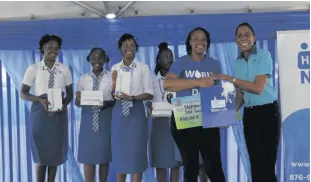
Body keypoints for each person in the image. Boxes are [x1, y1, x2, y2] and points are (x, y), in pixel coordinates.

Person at [213, 22, 280, 182]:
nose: (243, 38)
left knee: (267, 164)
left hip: (268, 112)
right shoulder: (237, 63)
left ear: (254, 38)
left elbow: (258, 88)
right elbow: (240, 96)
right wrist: (225, 115)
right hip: (250, 114)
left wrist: (230, 78)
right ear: (235, 40)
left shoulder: (264, 55)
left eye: (247, 34)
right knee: (255, 163)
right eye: (239, 35)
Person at [163, 27, 226, 182]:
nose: (200, 42)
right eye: (196, 38)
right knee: (191, 168)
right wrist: (199, 82)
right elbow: (168, 84)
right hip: (186, 118)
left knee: (214, 168)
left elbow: (218, 93)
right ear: (190, 42)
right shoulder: (181, 62)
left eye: (204, 39)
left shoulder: (214, 64)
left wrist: (223, 116)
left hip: (208, 120)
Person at [20, 34, 73, 182]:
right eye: (50, 47)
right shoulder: (33, 69)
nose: (53, 51)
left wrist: (63, 105)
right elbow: (23, 93)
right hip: (40, 112)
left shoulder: (64, 69)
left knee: (54, 154)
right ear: (43, 48)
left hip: (58, 114)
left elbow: (69, 95)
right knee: (41, 153)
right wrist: (39, 100)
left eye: (56, 48)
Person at [111, 33, 154, 182]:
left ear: (136, 49)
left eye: (132, 45)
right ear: (120, 49)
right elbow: (113, 93)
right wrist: (113, 90)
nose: (129, 48)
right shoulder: (115, 68)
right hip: (119, 112)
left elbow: (149, 93)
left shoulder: (143, 68)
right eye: (125, 45)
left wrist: (133, 98)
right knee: (120, 152)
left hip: (136, 113)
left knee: (136, 153)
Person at [75, 48, 115, 182]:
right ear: (89, 59)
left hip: (105, 119)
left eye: (100, 57)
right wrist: (78, 99)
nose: (96, 60)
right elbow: (77, 103)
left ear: (105, 59)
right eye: (93, 57)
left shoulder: (112, 77)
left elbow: (116, 99)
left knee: (104, 157)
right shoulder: (83, 79)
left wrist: (105, 103)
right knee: (88, 157)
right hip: (88, 120)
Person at [146, 42, 180, 182]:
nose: (169, 59)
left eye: (171, 56)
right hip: (159, 125)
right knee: (161, 163)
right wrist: (148, 104)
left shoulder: (180, 79)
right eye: (165, 57)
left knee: (176, 163)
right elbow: (147, 98)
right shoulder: (152, 80)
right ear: (159, 60)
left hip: (177, 124)